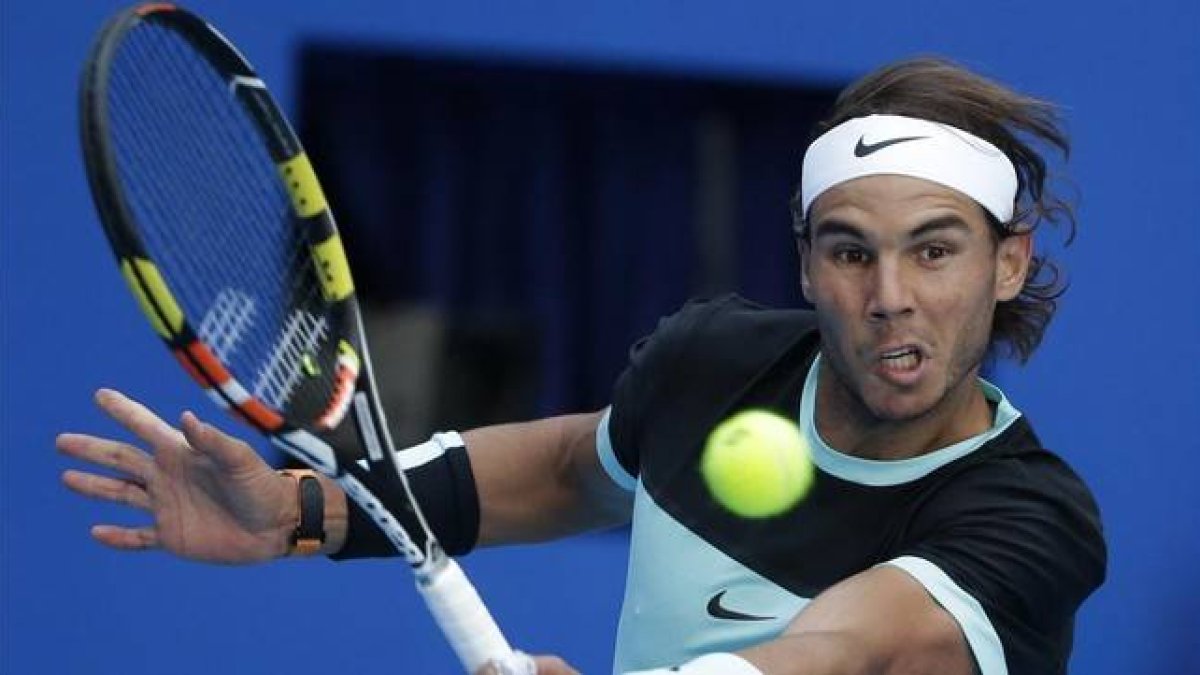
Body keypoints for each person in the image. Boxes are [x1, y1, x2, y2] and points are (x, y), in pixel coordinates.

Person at [59, 57, 1106, 675]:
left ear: (1008, 263)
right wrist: (303, 510)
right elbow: (572, 469)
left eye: (934, 248)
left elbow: (840, 653)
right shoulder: (711, 365)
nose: (889, 295)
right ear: (805, 262)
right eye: (848, 251)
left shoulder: (1029, 517)